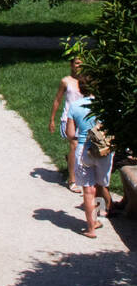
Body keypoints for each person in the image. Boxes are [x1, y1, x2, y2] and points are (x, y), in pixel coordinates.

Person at [64, 71, 120, 238]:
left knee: (88, 190)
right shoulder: (106, 106)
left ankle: (91, 228)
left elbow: (70, 133)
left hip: (84, 150)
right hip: (104, 150)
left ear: (81, 88)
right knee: (101, 185)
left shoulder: (75, 107)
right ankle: (100, 214)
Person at [49, 55, 84, 194]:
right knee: (74, 146)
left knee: (81, 149)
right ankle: (72, 180)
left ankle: (71, 160)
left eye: (81, 63)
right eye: (76, 63)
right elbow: (57, 100)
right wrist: (52, 119)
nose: (78, 66)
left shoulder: (87, 81)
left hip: (83, 119)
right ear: (71, 65)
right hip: (68, 119)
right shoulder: (66, 81)